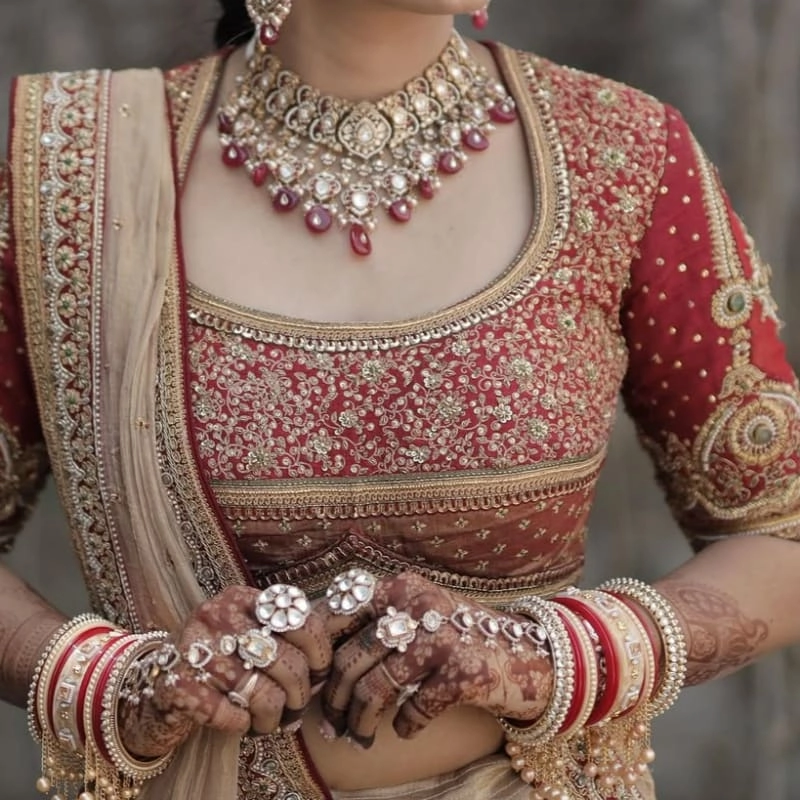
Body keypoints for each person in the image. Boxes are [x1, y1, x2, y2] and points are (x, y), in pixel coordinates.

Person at [1, 0, 799, 798]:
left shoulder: (620, 151)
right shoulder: (73, 160)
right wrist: (118, 686)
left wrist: (546, 656)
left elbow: (782, 533)